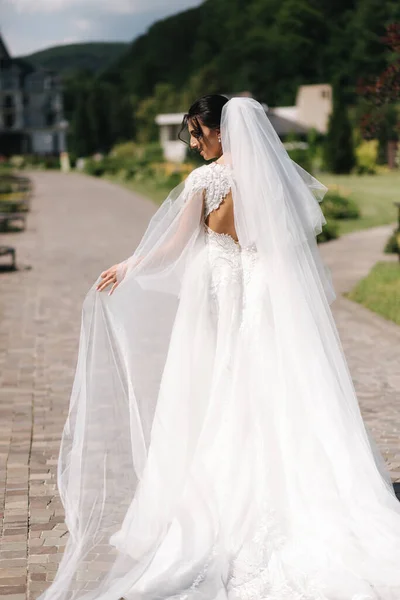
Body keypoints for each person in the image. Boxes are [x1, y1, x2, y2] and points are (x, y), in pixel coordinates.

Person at [40, 95, 400, 600]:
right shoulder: (272, 176)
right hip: (267, 295)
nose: (193, 143)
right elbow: (290, 242)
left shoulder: (205, 181)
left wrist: (130, 265)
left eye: (197, 133)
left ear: (220, 130)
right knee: (280, 387)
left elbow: (178, 241)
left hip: (225, 296)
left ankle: (231, 503)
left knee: (225, 388)